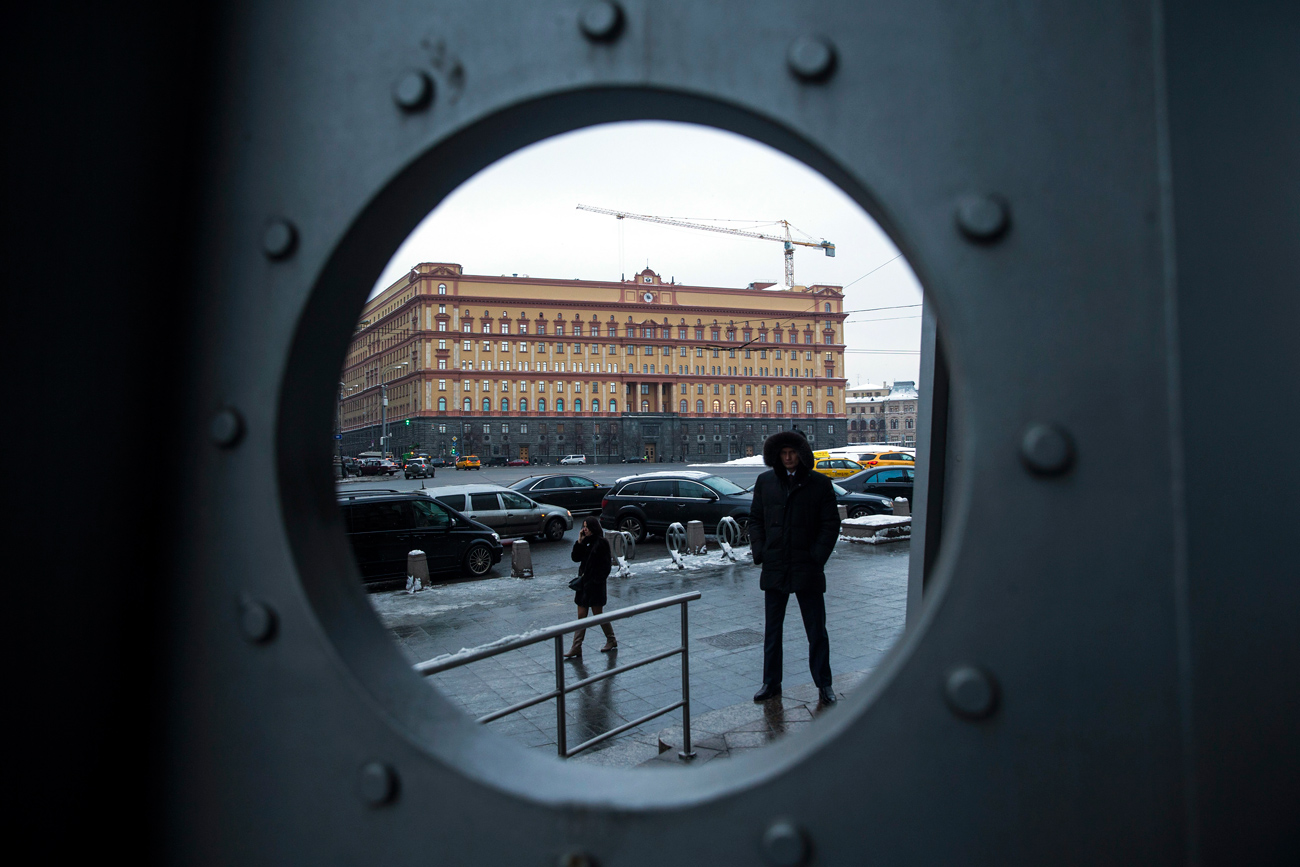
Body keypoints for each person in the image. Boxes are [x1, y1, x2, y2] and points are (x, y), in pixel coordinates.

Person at [747, 429, 842, 705]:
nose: (788, 458)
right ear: (777, 456)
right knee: (773, 631)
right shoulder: (765, 482)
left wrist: (817, 556)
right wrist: (760, 549)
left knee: (816, 631)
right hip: (775, 564)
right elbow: (755, 519)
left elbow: (830, 524)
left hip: (807, 566)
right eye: (784, 453)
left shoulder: (820, 484)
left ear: (802, 455)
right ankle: (770, 682)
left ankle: (824, 684)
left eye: (793, 453)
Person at [564, 516, 617, 658]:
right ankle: (576, 647)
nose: (584, 529)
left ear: (593, 527)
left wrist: (596, 580)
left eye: (587, 526)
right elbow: (575, 558)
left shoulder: (601, 543)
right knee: (581, 616)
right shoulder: (585, 542)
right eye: (583, 526)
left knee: (597, 614)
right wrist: (579, 542)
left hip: (595, 586)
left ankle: (611, 639)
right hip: (583, 585)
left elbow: (606, 566)